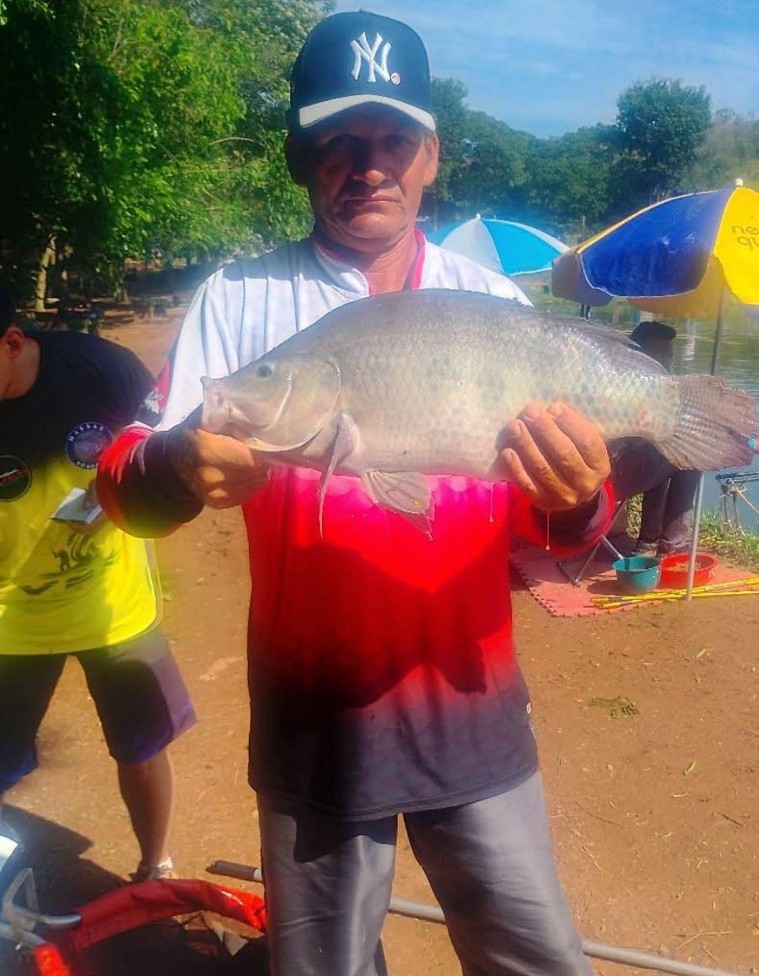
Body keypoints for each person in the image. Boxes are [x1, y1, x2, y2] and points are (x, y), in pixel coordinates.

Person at [96, 11, 613, 976]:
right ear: (302, 156)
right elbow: (126, 488)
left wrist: (580, 497)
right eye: (339, 139)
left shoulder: (493, 304)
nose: (367, 163)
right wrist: (173, 466)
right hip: (315, 717)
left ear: (430, 158)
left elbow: (565, 521)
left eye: (394, 139)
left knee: (534, 960)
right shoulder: (239, 302)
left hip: (474, 704)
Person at [0, 282, 195, 883]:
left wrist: (135, 494)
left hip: (114, 602)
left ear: (12, 343)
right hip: (10, 622)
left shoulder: (99, 368)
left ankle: (154, 864)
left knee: (141, 747)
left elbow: (161, 447)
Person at [610, 320, 759, 556]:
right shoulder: (642, 388)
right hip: (612, 479)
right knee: (688, 456)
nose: (669, 359)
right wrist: (751, 443)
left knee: (664, 450)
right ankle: (673, 546)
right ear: (643, 354)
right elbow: (698, 429)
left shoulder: (616, 380)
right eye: (663, 353)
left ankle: (649, 543)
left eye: (669, 353)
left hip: (610, 473)